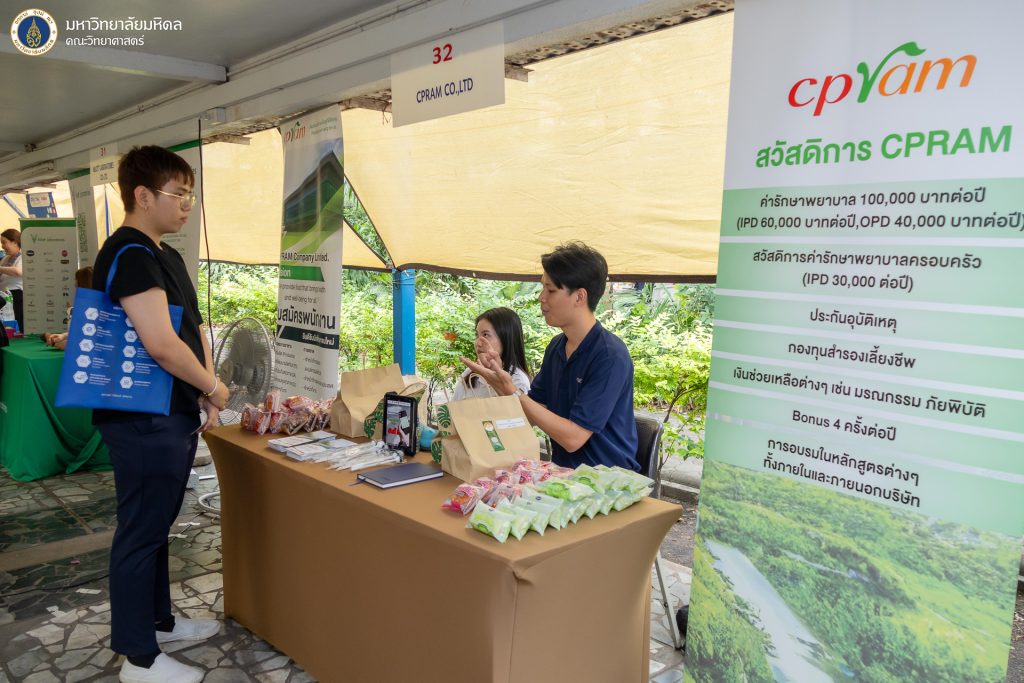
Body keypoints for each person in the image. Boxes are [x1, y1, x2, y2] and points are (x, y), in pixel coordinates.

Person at [90, 146, 229, 683]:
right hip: (142, 419)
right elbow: (162, 345)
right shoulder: (129, 255)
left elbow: (192, 328)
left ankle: (157, 624)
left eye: (191, 194)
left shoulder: (162, 253)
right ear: (143, 196)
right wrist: (213, 387)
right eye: (179, 194)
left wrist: (202, 390)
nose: (188, 205)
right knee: (140, 531)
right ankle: (139, 659)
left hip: (169, 410)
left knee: (155, 526)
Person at [462, 242, 639, 471]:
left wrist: (512, 391)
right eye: (542, 288)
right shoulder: (556, 347)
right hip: (563, 474)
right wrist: (499, 382)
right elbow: (530, 416)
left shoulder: (610, 356)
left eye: (551, 290)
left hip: (608, 480)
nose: (541, 297)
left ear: (579, 297)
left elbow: (573, 438)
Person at [452, 307, 531, 400]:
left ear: (506, 338)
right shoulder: (469, 374)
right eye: (477, 335)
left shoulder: (518, 380)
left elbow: (515, 408)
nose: (478, 343)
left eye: (486, 335)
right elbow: (453, 407)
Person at [44, 266, 94, 351]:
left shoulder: (93, 305)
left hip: (89, 346)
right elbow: (78, 330)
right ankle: (53, 339)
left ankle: (53, 341)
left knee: (64, 344)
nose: (74, 283)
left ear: (82, 282)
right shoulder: (84, 302)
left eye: (76, 279)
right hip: (81, 341)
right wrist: (63, 336)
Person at [0, 228, 24, 333]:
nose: (2, 246)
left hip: (16, 296)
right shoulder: (6, 258)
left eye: (4, 242)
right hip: (3, 296)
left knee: (17, 324)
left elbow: (18, 271)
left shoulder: (23, 257)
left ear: (14, 242)